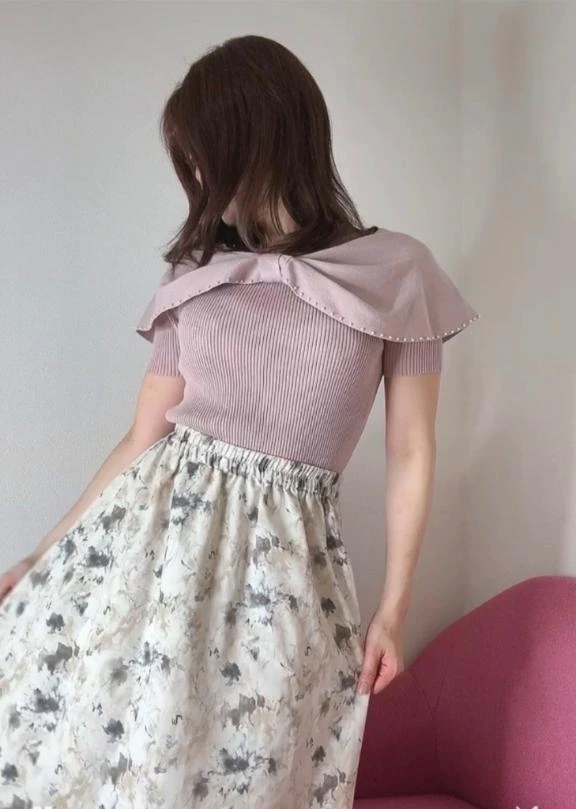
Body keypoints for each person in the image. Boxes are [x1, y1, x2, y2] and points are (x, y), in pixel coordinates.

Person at [0, 34, 479, 809]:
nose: (194, 178)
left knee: (252, 775)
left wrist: (394, 608)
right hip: (150, 555)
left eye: (200, 155)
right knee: (113, 761)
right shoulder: (194, 273)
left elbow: (411, 451)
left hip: (284, 576)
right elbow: (143, 437)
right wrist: (42, 554)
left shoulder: (398, 274)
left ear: (256, 139)